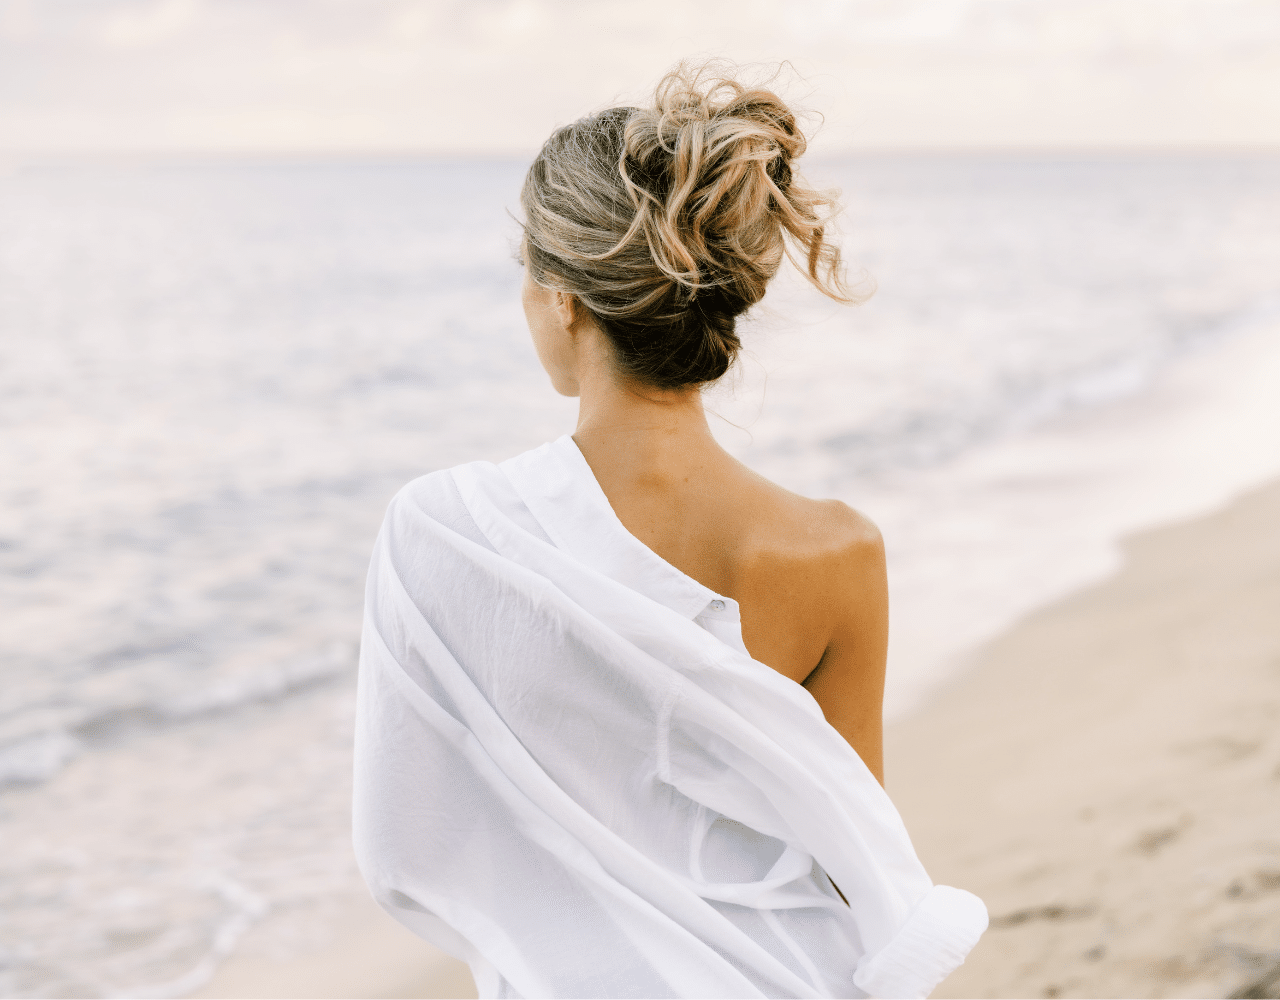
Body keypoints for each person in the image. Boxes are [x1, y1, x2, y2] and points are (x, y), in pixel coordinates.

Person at [353, 61, 987, 999]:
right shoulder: (838, 552)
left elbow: (404, 844)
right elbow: (853, 844)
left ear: (561, 297)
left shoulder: (444, 534)